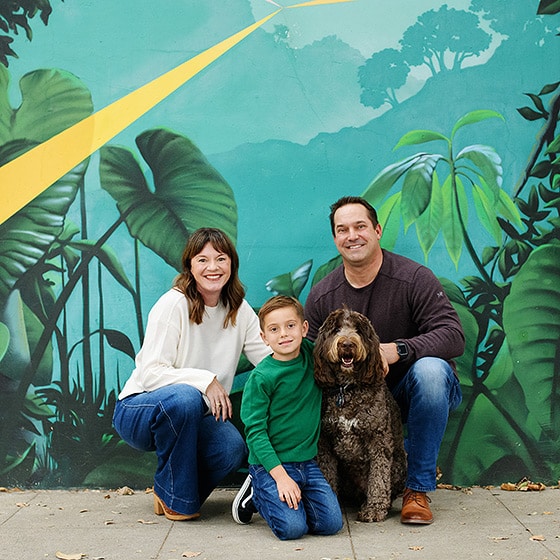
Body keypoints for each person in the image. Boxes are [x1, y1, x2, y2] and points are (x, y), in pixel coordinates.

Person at [304, 196, 464, 525]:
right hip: (347, 398)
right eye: (342, 230)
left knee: (432, 371)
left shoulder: (413, 278)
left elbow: (453, 334)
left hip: (406, 392)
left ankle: (416, 490)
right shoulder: (323, 295)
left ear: (377, 230)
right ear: (336, 239)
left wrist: (399, 350)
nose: (352, 235)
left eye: (360, 226)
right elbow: (308, 354)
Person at [112, 228, 271, 521]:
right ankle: (179, 502)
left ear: (232, 264)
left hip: (194, 415)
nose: (213, 268)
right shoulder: (173, 304)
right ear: (189, 266)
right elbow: (150, 374)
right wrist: (205, 380)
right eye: (203, 260)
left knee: (231, 448)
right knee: (186, 397)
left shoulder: (240, 309)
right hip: (139, 409)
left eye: (221, 259)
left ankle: (170, 492)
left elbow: (268, 362)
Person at [233, 295, 343, 540]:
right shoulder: (262, 378)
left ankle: (288, 498)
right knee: (292, 529)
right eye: (274, 329)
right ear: (264, 338)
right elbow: (255, 433)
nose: (284, 334)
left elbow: (338, 350)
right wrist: (281, 478)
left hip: (308, 463)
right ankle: (257, 492)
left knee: (331, 524)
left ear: (304, 329)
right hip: (271, 466)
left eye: (290, 326)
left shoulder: (311, 355)